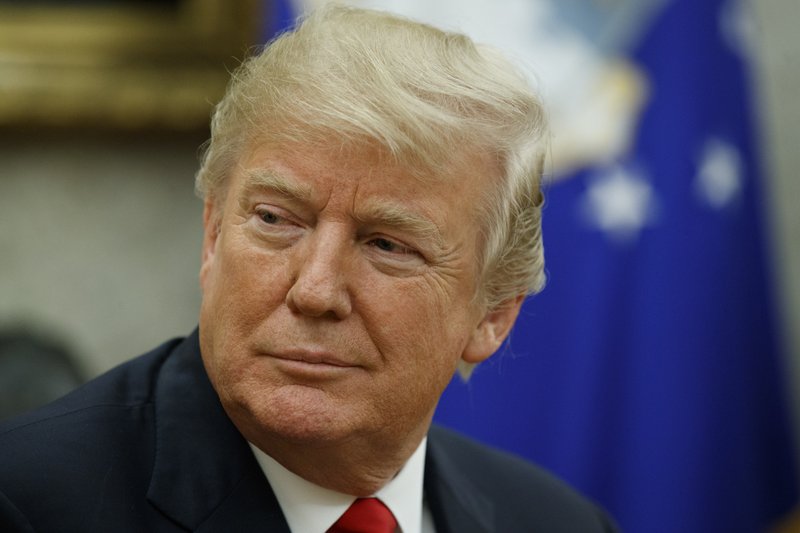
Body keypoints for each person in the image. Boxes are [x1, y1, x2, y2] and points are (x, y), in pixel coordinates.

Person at [0, 5, 618, 532]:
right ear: (213, 237)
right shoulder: (31, 502)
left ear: (493, 312)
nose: (315, 290)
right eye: (275, 220)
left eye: (387, 245)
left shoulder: (554, 520)